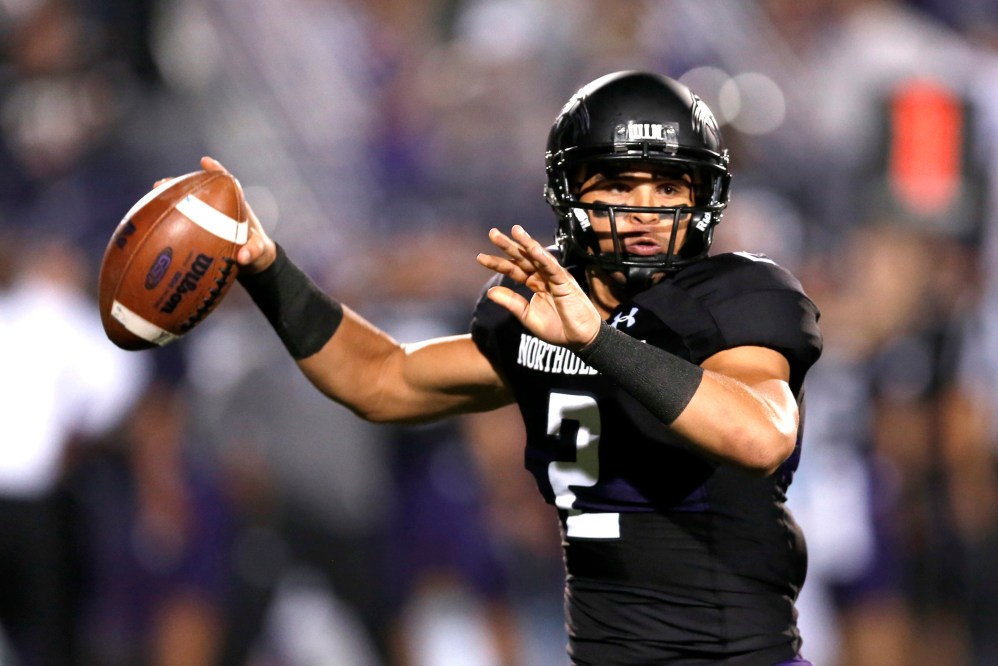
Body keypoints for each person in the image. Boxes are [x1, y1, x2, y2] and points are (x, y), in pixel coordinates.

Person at [190, 70, 822, 665]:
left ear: (703, 196)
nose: (645, 212)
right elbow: (380, 379)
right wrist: (267, 267)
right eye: (621, 185)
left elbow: (759, 434)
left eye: (668, 186)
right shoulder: (537, 314)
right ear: (571, 193)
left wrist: (597, 341)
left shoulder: (737, 298)